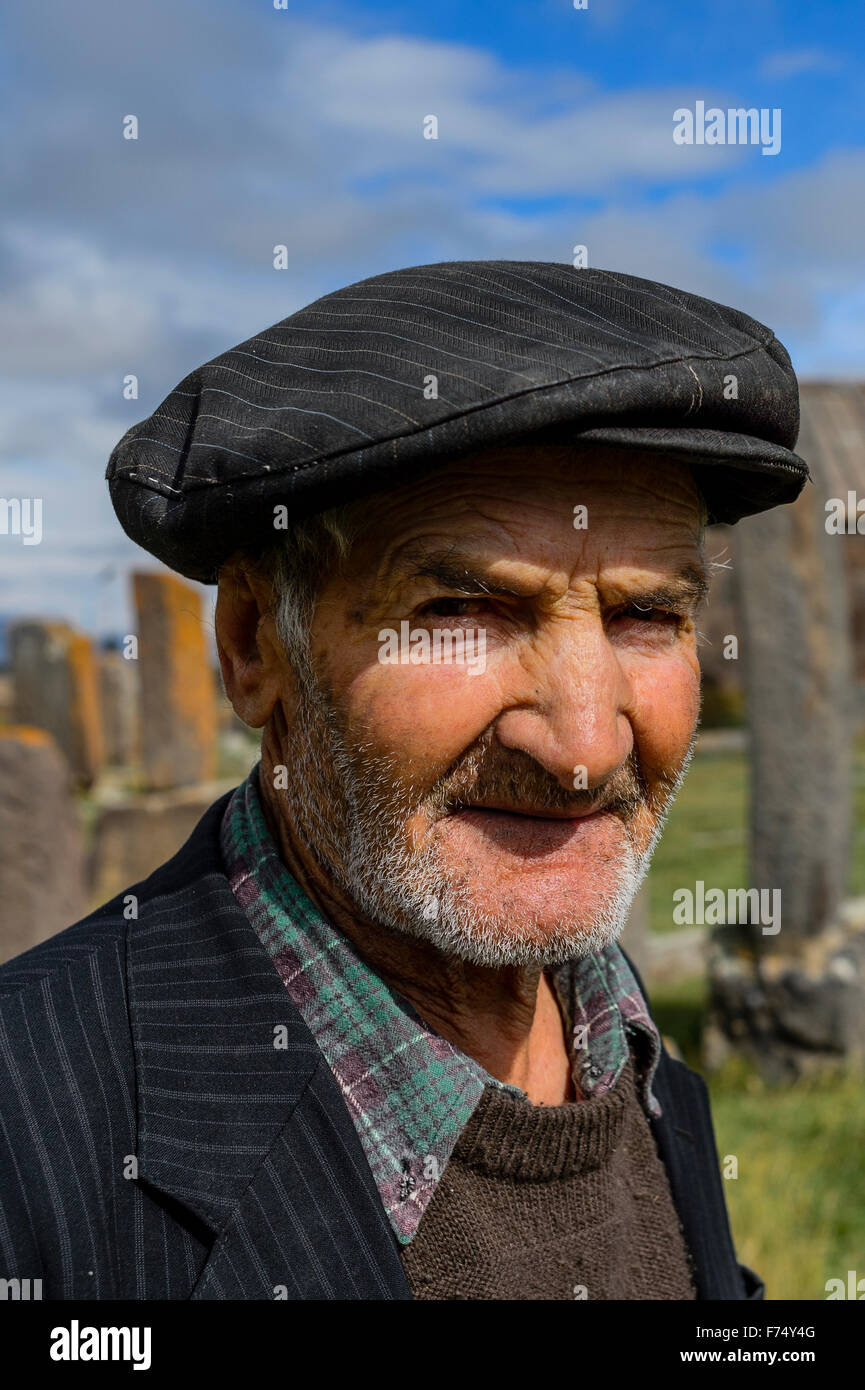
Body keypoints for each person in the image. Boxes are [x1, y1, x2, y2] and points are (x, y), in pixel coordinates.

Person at [0, 261, 809, 1300]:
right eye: (461, 609)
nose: (582, 746)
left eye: (645, 616)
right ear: (255, 646)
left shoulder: (613, 1026)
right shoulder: (33, 1139)